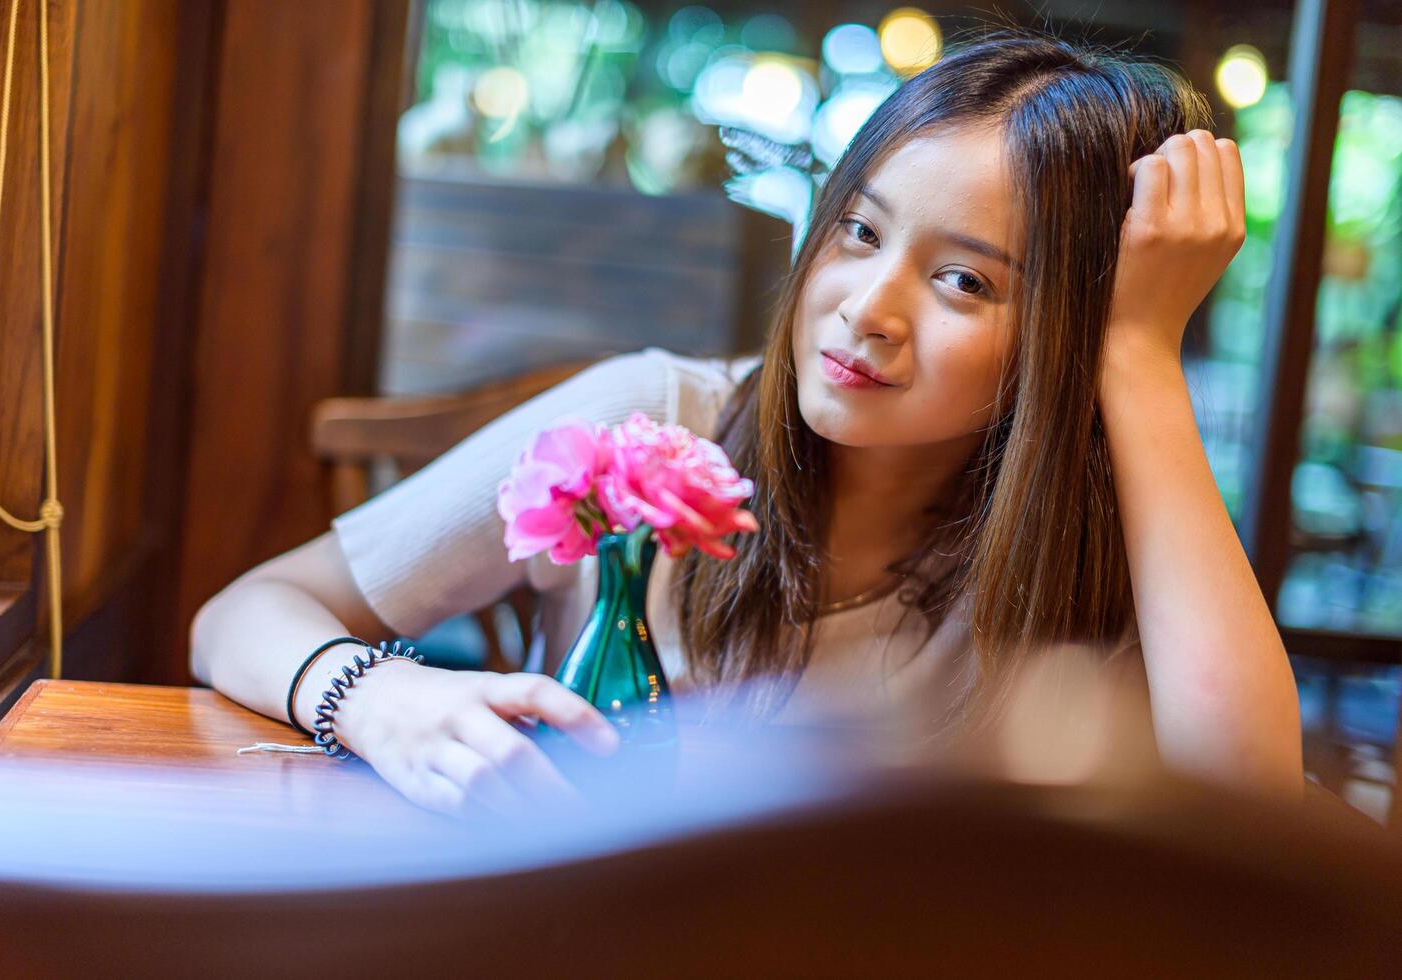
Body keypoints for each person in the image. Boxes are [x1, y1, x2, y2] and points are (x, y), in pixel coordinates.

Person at [189, 29, 1304, 818]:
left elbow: (1247, 804)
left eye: (965, 282)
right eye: (859, 232)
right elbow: (248, 612)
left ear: (1064, 333)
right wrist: (374, 695)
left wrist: (1141, 352)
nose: (867, 308)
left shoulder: (1081, 544)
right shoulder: (653, 414)